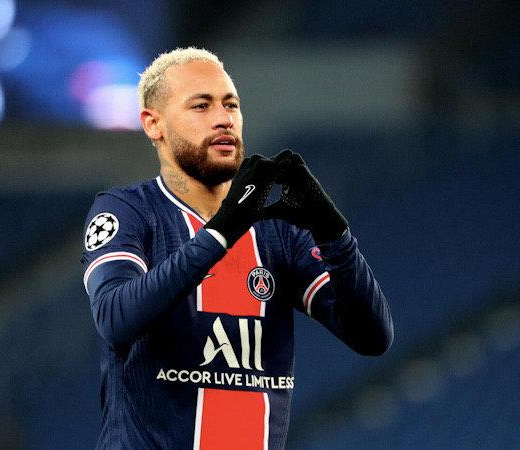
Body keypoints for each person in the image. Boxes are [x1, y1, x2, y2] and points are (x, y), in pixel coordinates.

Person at [81, 47, 393, 449]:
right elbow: (114, 317)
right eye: (201, 105)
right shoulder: (129, 211)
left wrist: (335, 234)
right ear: (153, 124)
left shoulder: (277, 232)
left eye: (231, 104)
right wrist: (221, 232)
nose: (224, 118)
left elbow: (371, 337)